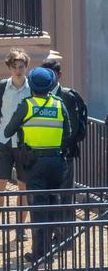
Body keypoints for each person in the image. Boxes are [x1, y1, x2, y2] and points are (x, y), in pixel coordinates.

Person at [4, 67, 71, 264]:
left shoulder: (27, 105)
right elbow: (67, 135)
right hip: (57, 162)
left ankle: (40, 253)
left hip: (34, 163)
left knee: (38, 208)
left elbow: (8, 131)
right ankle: (51, 250)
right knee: (52, 205)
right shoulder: (59, 105)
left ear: (31, 86)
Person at [0, 48, 31, 242]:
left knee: (24, 187)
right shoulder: (1, 87)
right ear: (9, 68)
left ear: (26, 67)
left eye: (21, 66)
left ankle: (20, 228)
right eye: (14, 67)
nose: (18, 70)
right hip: (3, 142)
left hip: (24, 144)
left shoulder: (31, 88)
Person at [42, 56, 87, 243]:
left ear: (59, 75)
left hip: (64, 154)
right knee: (51, 196)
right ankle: (57, 233)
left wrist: (59, 147)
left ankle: (66, 236)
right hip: (47, 155)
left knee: (66, 196)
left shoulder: (67, 96)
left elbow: (73, 129)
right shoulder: (40, 94)